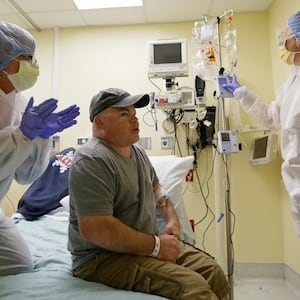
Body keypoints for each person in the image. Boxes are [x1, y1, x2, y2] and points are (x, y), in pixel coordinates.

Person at [68, 87, 230, 300]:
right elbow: (96, 230)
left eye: (134, 114)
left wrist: (171, 220)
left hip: (143, 248)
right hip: (102, 258)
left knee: (214, 272)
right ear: (99, 122)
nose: (135, 121)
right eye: (124, 114)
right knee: (193, 287)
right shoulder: (91, 160)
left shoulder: (137, 153)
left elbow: (158, 192)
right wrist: (156, 246)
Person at [0, 21, 80, 276]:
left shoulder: (20, 102)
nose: (34, 66)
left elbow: (25, 175)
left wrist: (40, 138)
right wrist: (23, 135)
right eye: (26, 58)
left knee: (18, 264)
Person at [222, 11, 300, 239]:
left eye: (285, 34)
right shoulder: (291, 83)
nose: (281, 39)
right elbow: (273, 118)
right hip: (295, 178)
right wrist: (241, 93)